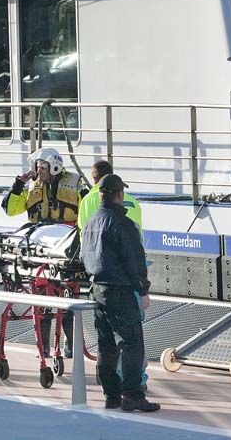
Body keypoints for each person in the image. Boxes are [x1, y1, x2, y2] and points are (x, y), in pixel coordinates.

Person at [81, 174, 160, 412]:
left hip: (97, 289)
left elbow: (85, 256)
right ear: (119, 194)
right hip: (120, 290)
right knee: (133, 343)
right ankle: (132, 395)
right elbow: (133, 260)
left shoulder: (91, 221)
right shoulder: (123, 224)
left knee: (106, 345)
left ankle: (111, 395)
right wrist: (142, 290)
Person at [2, 147, 86, 358]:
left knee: (69, 298)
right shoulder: (31, 187)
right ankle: (45, 348)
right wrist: (19, 184)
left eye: (42, 168)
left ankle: (71, 346)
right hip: (41, 248)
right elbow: (11, 209)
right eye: (38, 168)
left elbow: (88, 207)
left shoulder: (75, 183)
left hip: (67, 246)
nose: (39, 172)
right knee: (42, 299)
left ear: (54, 166)